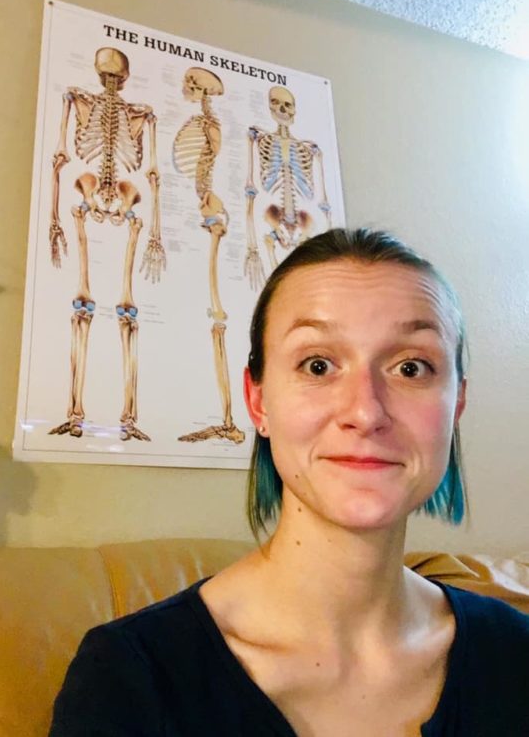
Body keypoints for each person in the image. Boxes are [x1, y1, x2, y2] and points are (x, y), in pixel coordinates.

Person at [49, 228, 529, 736]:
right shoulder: (130, 678)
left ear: (456, 405)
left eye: (411, 367)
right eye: (317, 365)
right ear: (257, 402)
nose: (366, 412)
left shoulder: (516, 656)